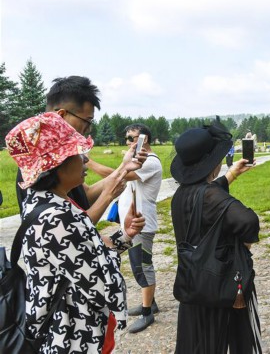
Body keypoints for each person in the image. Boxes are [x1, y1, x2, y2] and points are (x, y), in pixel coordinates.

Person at [5, 112, 146, 352]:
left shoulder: (47, 201)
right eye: (77, 154)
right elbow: (105, 287)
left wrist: (125, 234)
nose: (84, 160)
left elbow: (83, 249)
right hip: (72, 339)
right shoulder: (56, 218)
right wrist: (111, 249)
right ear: (55, 167)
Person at [170, 120, 263, 353]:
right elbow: (248, 221)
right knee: (222, 340)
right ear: (212, 163)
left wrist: (231, 175)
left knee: (197, 342)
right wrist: (245, 244)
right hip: (218, 283)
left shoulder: (182, 194)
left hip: (194, 283)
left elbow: (205, 196)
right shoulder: (211, 195)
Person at [15, 76, 144, 224]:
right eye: (87, 121)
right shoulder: (40, 162)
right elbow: (71, 227)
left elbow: (85, 196)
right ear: (61, 115)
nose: (88, 128)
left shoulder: (57, 156)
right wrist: (108, 195)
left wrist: (124, 167)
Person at [87, 124, 162, 333]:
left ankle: (148, 313)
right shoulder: (140, 161)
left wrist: (87, 161)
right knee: (139, 265)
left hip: (142, 224)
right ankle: (151, 303)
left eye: (132, 138)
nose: (128, 142)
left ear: (143, 140)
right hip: (133, 223)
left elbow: (117, 175)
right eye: (127, 138)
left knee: (142, 266)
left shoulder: (151, 163)